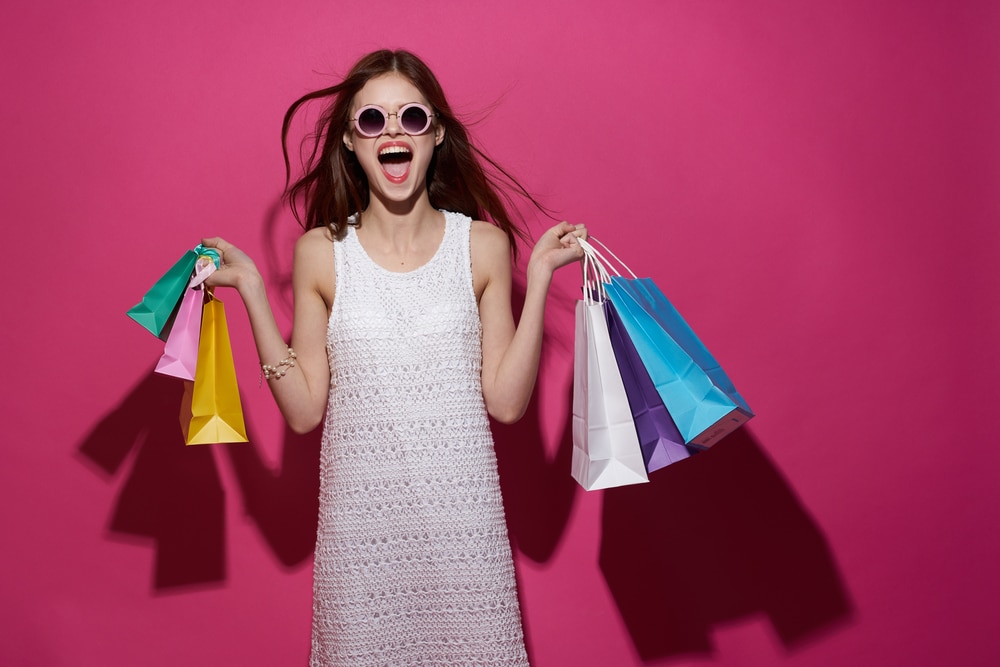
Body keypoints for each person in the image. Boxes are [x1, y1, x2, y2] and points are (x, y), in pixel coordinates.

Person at [202, 49, 587, 665]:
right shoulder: (320, 253)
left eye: (411, 117)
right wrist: (252, 292)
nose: (394, 132)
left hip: (465, 539)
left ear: (434, 134)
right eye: (372, 122)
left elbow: (507, 404)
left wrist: (537, 278)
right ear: (352, 144)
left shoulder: (483, 246)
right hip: (361, 547)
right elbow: (303, 412)